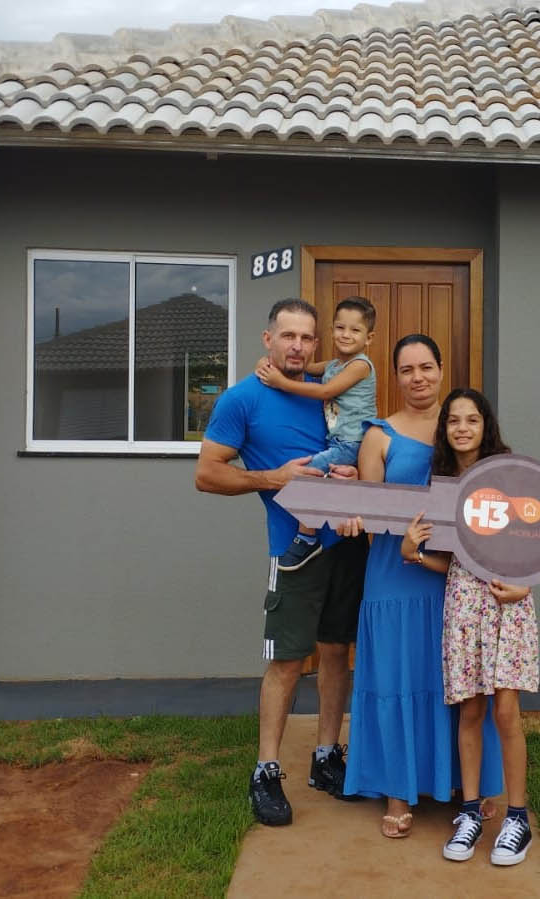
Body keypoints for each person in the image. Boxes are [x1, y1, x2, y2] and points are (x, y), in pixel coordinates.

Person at [194, 297, 369, 827]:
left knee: (338, 653)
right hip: (294, 552)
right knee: (288, 660)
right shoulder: (242, 399)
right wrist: (272, 479)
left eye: (307, 338)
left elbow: (361, 446)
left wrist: (361, 477)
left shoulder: (330, 391)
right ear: (268, 339)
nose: (298, 345)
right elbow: (206, 474)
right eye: (288, 336)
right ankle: (266, 769)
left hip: (348, 543)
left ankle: (325, 757)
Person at [338, 335, 504, 839]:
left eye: (426, 367)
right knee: (396, 681)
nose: (418, 377)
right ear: (395, 376)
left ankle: (461, 785)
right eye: (407, 369)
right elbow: (368, 518)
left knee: (456, 684)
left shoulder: (462, 428)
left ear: (439, 370)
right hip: (393, 578)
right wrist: (349, 513)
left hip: (454, 583)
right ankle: (397, 790)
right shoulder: (378, 437)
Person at [402, 388, 539, 865]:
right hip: (463, 604)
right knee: (470, 712)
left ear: (486, 426)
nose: (463, 428)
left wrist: (524, 586)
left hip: (507, 603)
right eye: (454, 420)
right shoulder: (441, 485)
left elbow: (538, 539)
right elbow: (457, 563)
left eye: (472, 420)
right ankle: (470, 814)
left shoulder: (511, 475)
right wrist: (415, 553)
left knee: (505, 712)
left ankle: (516, 818)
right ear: (446, 430)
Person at [254, 295, 378, 569]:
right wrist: (267, 363)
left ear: (369, 338)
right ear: (332, 330)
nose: (346, 335)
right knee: (324, 482)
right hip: (337, 440)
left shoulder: (360, 366)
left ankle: (307, 537)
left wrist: (280, 382)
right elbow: (304, 367)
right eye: (340, 327)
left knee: (307, 477)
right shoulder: (333, 365)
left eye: (355, 330)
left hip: (353, 442)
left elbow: (325, 391)